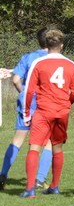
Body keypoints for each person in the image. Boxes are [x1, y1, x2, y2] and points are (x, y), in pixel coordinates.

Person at [19, 29, 74, 198]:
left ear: (46, 45)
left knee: (34, 147)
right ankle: (54, 186)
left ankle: (30, 189)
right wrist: (66, 103)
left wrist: (26, 113)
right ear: (62, 45)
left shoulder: (39, 63)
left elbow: (29, 90)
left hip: (44, 111)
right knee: (57, 147)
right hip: (62, 112)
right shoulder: (70, 64)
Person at [0, 27, 53, 191]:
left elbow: (16, 79)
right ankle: (39, 179)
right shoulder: (54, 59)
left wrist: (24, 93)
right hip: (46, 105)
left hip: (27, 104)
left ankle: (2, 175)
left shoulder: (28, 57)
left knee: (17, 140)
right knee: (48, 141)